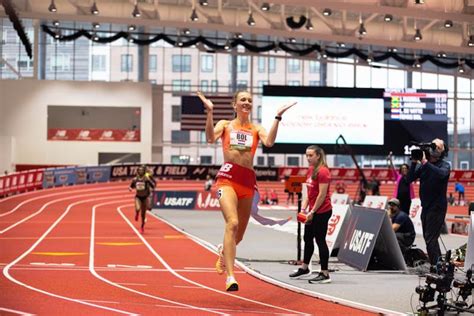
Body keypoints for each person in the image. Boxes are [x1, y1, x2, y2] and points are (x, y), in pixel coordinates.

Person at [197, 90, 296, 291]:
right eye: (243, 99)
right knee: (232, 223)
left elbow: (269, 142)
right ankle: (231, 277)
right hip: (227, 180)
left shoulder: (256, 128)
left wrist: (277, 117)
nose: (247, 102)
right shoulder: (225, 125)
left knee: (239, 236)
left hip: (247, 182)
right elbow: (209, 138)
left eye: (250, 100)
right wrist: (209, 112)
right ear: (235, 105)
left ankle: (223, 252)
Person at [289, 145, 332, 284]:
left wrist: (312, 212)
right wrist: (304, 209)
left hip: (322, 211)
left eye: (310, 155)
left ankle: (325, 273)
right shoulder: (310, 170)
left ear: (318, 156)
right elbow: (308, 193)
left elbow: (321, 194)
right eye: (306, 155)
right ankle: (305, 268)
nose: (308, 158)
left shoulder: (323, 171)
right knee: (307, 238)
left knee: (320, 240)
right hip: (313, 211)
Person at [407, 138, 450, 266]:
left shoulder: (444, 165)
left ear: (442, 151)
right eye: (433, 146)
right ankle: (439, 264)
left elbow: (441, 174)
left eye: (437, 147)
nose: (433, 149)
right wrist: (414, 162)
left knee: (431, 238)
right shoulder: (424, 166)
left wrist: (425, 162)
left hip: (437, 207)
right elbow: (409, 179)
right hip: (426, 207)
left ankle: (435, 266)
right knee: (429, 238)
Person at [129, 165, 155, 234]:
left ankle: (142, 226)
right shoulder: (135, 179)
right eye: (139, 170)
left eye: (142, 170)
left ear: (143, 172)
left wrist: (151, 186)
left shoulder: (146, 179)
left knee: (143, 215)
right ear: (137, 171)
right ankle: (137, 213)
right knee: (137, 209)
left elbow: (153, 185)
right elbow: (131, 186)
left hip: (145, 197)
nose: (140, 171)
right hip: (138, 197)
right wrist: (130, 188)